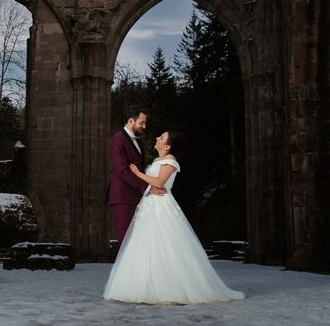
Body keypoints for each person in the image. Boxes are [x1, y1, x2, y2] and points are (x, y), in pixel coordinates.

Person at [103, 131, 245, 305]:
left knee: (166, 244)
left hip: (162, 206)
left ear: (168, 146)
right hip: (148, 205)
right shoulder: (156, 161)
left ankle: (171, 288)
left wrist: (137, 173)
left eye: (161, 138)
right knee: (145, 244)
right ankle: (144, 287)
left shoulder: (170, 161)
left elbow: (159, 182)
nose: (157, 139)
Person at [106, 106, 165, 246]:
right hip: (123, 197)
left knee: (138, 244)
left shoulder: (137, 141)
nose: (144, 126)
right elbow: (122, 171)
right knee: (127, 244)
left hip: (137, 196)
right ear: (131, 121)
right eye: (142, 122)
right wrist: (148, 189)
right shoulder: (117, 139)